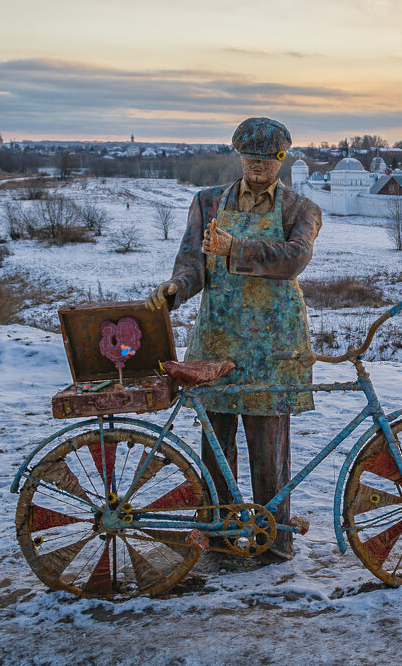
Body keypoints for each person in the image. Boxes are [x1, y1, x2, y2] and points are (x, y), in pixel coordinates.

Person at [146, 117, 321, 564]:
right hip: (217, 340)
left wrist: (234, 249)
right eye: (250, 160)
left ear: (282, 161)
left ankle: (274, 544)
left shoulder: (301, 209)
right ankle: (223, 539)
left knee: (269, 452)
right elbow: (191, 264)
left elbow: (293, 259)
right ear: (239, 157)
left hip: (274, 346)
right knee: (215, 447)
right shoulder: (207, 203)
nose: (258, 168)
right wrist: (176, 288)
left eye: (267, 161)